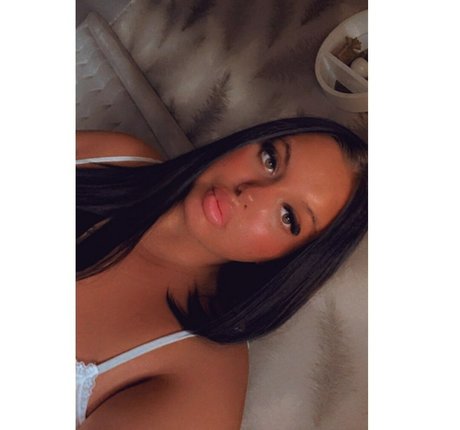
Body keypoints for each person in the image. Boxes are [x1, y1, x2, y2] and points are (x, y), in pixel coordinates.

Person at [76, 116, 367, 429]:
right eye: (270, 160)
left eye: (288, 216)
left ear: (290, 260)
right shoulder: (114, 157)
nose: (251, 192)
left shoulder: (203, 379)